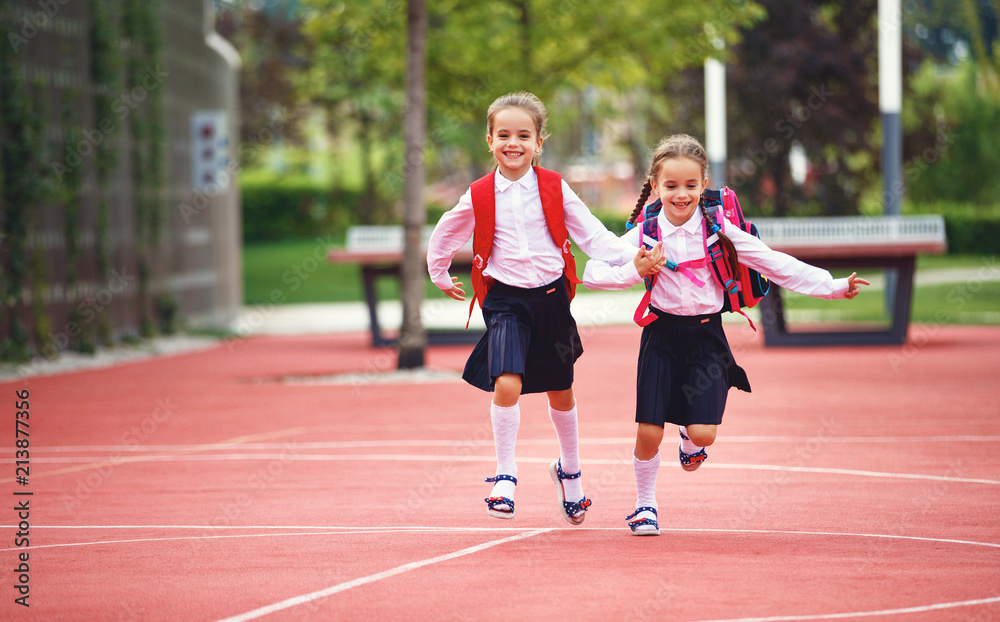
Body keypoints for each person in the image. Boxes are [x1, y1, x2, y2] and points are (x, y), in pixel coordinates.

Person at [583, 133, 870, 536]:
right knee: (648, 430)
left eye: (689, 185)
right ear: (655, 185)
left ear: (704, 184)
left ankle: (689, 440)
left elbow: (774, 264)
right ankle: (645, 506)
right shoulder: (644, 233)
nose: (680, 195)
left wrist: (833, 285)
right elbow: (593, 272)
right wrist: (636, 270)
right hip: (660, 335)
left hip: (707, 338)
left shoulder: (720, 230)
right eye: (670, 186)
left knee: (703, 433)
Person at [427, 92, 665, 523]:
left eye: (523, 135)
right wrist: (439, 272)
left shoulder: (555, 187)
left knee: (561, 390)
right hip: (505, 301)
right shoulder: (479, 193)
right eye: (503, 134)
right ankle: (504, 476)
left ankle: (569, 472)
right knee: (507, 382)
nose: (512, 143)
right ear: (489, 140)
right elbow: (446, 232)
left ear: (539, 142)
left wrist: (633, 260)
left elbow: (593, 236)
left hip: (552, 298)